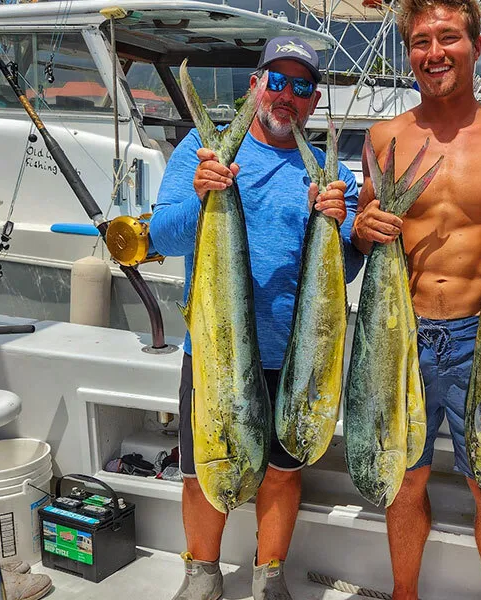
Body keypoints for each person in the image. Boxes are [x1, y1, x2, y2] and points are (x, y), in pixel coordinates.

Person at [349, 0, 481, 598]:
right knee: (403, 479)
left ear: (476, 45)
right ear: (408, 52)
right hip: (399, 332)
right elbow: (366, 227)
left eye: (448, 37)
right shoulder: (385, 136)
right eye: (420, 41)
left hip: (480, 336)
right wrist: (361, 230)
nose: (433, 53)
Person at [150, 36, 363, 600]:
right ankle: (202, 574)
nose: (286, 95)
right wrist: (202, 193)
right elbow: (161, 234)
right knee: (201, 472)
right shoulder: (203, 148)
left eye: (301, 86)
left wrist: (336, 222)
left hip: (297, 358)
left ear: (313, 100)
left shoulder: (326, 172)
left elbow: (341, 270)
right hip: (216, 353)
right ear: (255, 84)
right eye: (276, 80)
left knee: (284, 470)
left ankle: (270, 577)